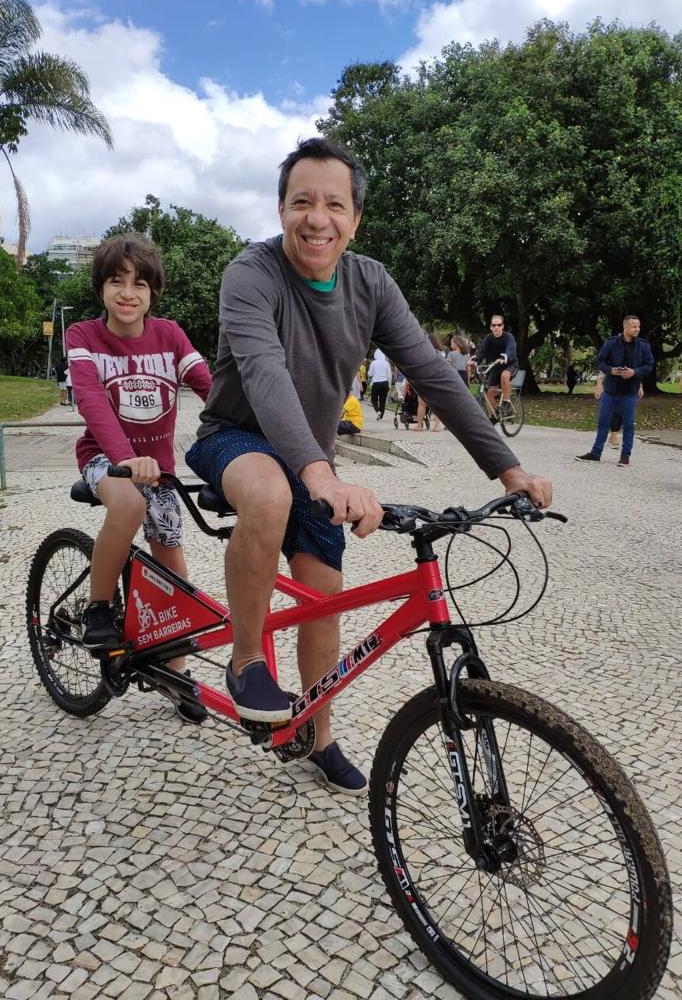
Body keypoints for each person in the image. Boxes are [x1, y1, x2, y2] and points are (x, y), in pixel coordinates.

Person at [184, 137, 552, 794]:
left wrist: (509, 469)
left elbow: (432, 374)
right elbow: (265, 375)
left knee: (324, 599)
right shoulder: (250, 274)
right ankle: (245, 661)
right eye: (302, 202)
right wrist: (319, 473)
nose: (317, 218)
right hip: (236, 436)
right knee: (269, 495)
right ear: (281, 209)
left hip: (312, 459)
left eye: (334, 205)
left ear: (354, 219)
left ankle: (318, 736)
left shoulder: (371, 282)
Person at [66, 232, 212, 722]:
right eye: (116, 281)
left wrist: (250, 434)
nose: (128, 293)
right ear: (101, 287)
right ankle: (98, 608)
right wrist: (126, 458)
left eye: (140, 284)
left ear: (152, 292)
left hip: (158, 470)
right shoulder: (83, 336)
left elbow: (210, 386)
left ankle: (176, 671)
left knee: (171, 560)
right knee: (129, 504)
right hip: (104, 459)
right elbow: (91, 400)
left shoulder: (170, 335)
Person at [577, 315, 654, 467]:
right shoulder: (611, 343)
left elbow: (649, 366)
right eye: (634, 327)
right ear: (625, 327)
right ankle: (595, 453)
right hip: (611, 391)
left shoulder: (644, 346)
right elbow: (600, 361)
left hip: (630, 391)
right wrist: (611, 370)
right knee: (603, 422)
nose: (637, 329)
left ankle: (625, 456)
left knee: (628, 425)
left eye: (638, 326)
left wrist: (634, 372)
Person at [468, 316, 518, 420]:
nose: (496, 327)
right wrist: (474, 361)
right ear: (491, 327)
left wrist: (504, 357)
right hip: (495, 367)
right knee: (490, 393)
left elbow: (511, 350)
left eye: (499, 325)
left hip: (510, 365)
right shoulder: (489, 338)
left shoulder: (509, 337)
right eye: (494, 325)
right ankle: (495, 416)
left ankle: (506, 402)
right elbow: (482, 352)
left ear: (503, 326)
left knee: (504, 376)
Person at [415, 332, 445, 432]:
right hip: (437, 378)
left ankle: (419, 425)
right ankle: (436, 426)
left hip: (425, 378)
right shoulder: (441, 353)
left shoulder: (424, 352)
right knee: (436, 404)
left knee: (421, 403)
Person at [368, 347, 391, 419]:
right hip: (385, 383)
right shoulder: (386, 363)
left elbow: (370, 374)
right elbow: (389, 375)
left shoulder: (373, 363)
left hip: (376, 383)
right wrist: (389, 385)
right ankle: (381, 416)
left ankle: (378, 411)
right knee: (383, 400)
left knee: (374, 399)